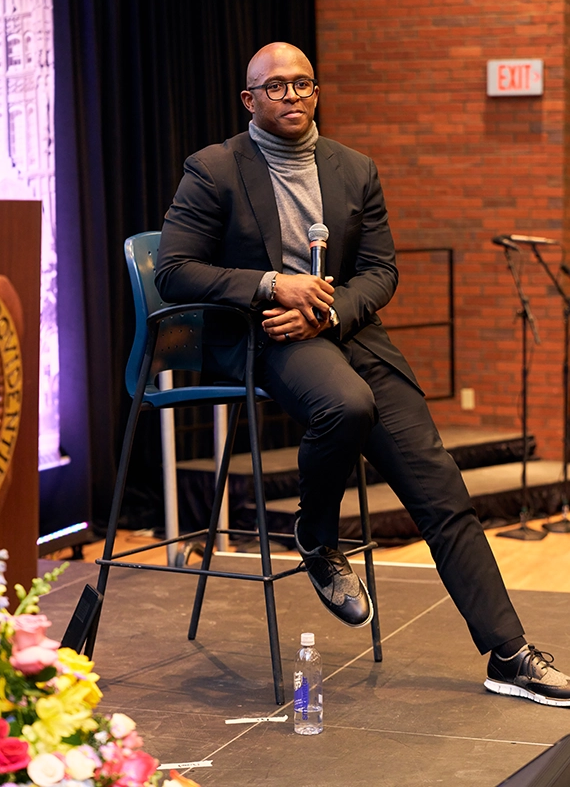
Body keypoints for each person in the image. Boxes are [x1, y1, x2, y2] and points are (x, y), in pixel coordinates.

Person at [156, 42, 570, 707]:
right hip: (264, 332)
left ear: (316, 92)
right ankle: (317, 540)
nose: (291, 95)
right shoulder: (214, 170)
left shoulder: (353, 169)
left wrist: (327, 313)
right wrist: (273, 286)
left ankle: (509, 655)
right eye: (275, 87)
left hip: (339, 329)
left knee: (441, 490)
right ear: (250, 99)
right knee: (346, 406)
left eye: (302, 84)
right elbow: (175, 269)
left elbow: (381, 270)